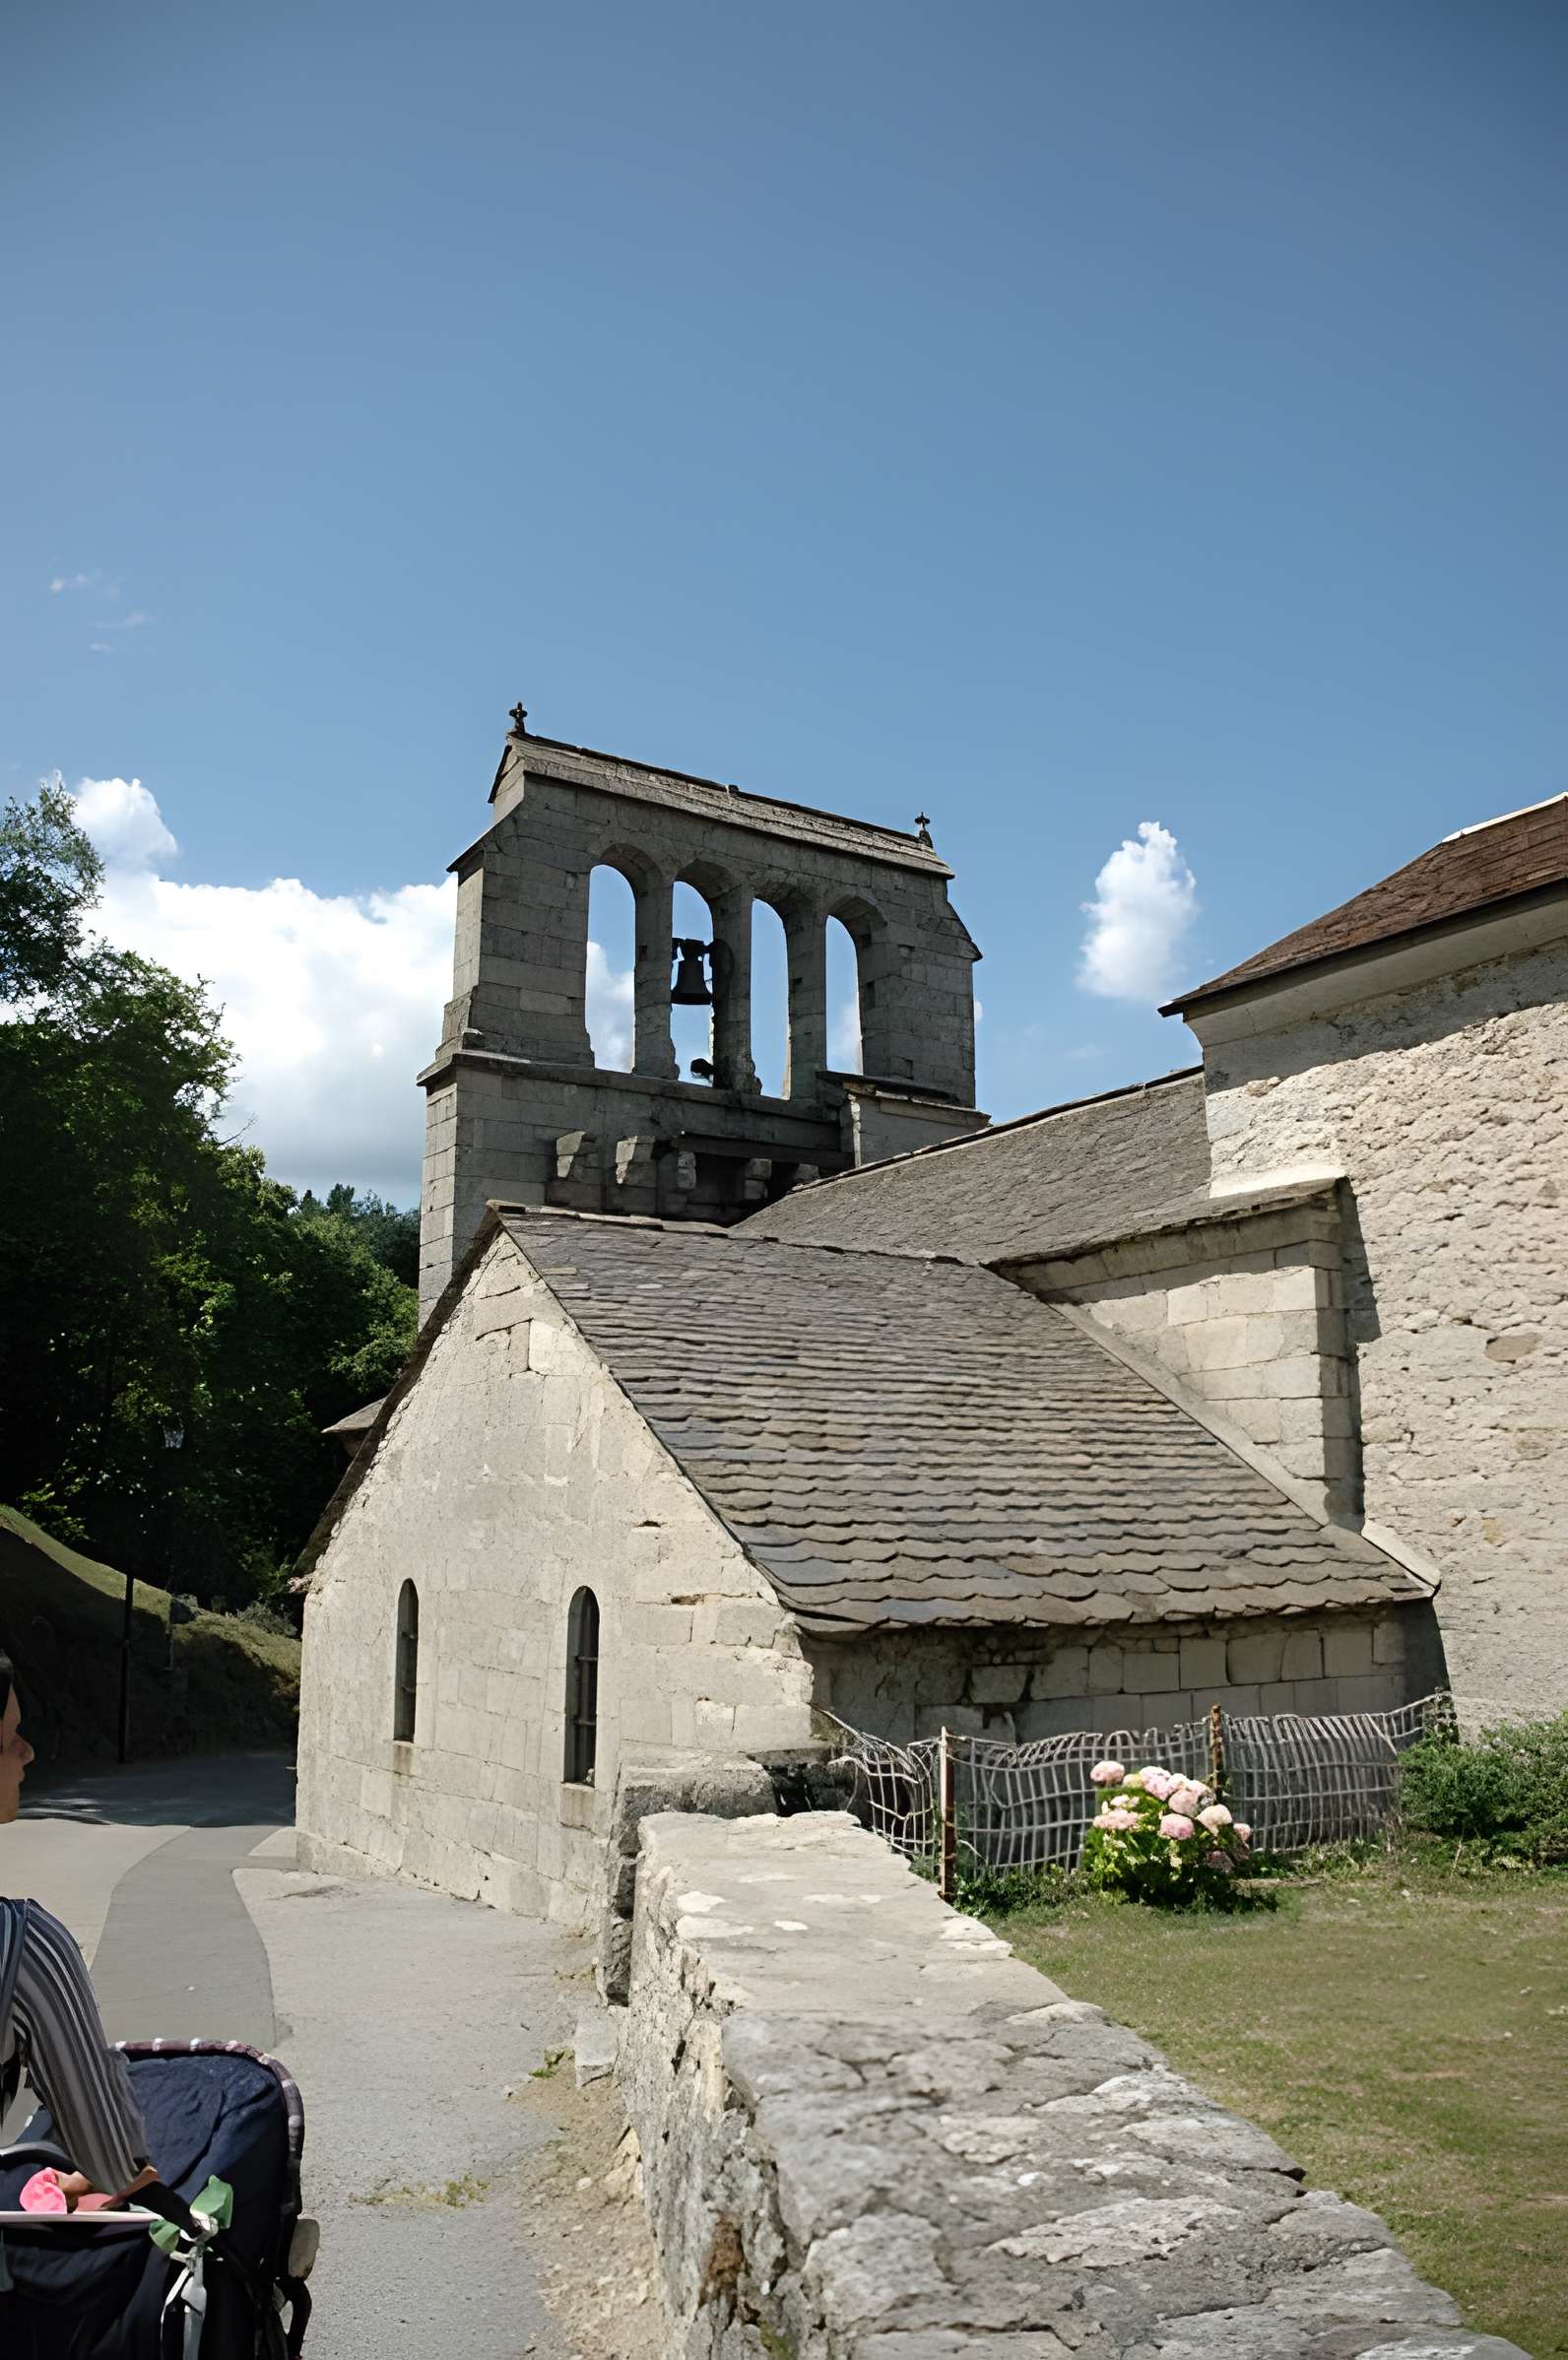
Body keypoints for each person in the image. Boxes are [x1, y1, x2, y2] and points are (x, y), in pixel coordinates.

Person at [0, 1651, 156, 2209]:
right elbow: (113, 2160)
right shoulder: (24, 1945)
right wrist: (90, 2175)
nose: (27, 1751)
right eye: (9, 1737)